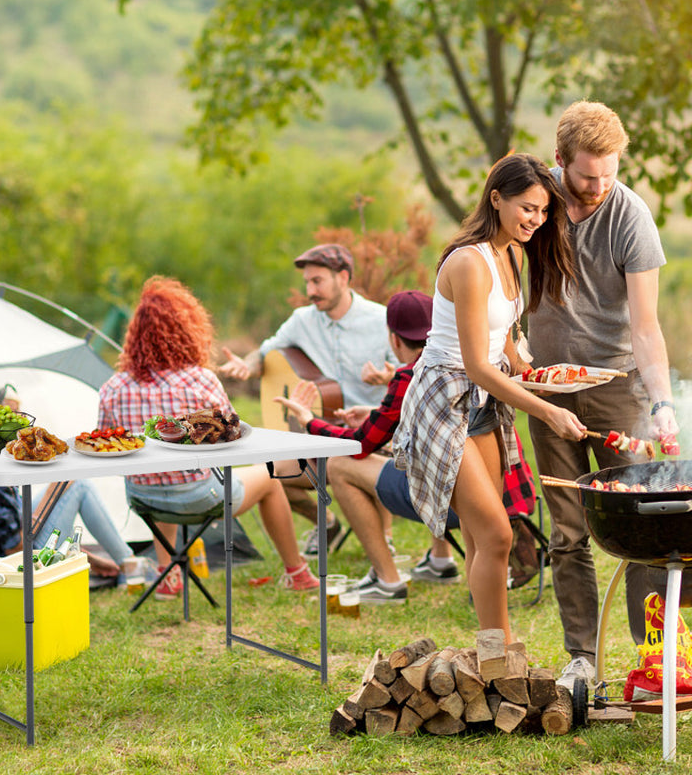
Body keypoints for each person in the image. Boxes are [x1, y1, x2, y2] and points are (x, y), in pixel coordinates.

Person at [392, 153, 584, 645]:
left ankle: (492, 647)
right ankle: (500, 650)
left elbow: (499, 341)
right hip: (444, 400)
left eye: (543, 212)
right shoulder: (468, 262)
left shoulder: (512, 254)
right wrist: (545, 409)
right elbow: (475, 363)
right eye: (527, 208)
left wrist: (536, 375)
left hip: (483, 402)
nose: (536, 220)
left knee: (485, 536)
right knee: (498, 535)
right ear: (496, 199)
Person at [526, 101, 679, 689]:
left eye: (609, 173)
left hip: (619, 388)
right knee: (567, 533)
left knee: (644, 526)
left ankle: (656, 656)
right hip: (549, 390)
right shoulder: (535, 208)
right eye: (587, 175)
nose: (598, 186)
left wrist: (661, 402)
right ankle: (582, 661)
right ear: (560, 160)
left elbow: (645, 325)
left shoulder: (631, 216)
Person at [97, 275, 319, 600]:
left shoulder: (114, 387)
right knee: (270, 481)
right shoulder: (200, 381)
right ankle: (297, 573)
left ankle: (168, 573)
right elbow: (232, 437)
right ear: (188, 329)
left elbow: (108, 446)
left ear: (135, 336)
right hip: (201, 497)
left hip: (142, 498)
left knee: (160, 470)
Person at [273, 290, 461, 605]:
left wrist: (308, 421)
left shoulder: (408, 376)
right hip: (484, 497)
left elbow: (359, 445)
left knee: (341, 465)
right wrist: (374, 415)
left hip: (444, 503)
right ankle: (440, 562)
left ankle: (388, 582)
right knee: (436, 452)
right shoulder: (458, 362)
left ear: (394, 340)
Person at [219, 242, 400, 555]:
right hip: (318, 435)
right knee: (270, 471)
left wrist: (388, 377)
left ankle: (384, 542)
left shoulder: (380, 320)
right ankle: (326, 523)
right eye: (307, 283)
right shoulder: (302, 320)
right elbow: (264, 353)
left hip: (370, 435)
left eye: (318, 281)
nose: (310, 290)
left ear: (343, 278)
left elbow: (408, 373)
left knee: (370, 459)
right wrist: (246, 366)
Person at [0, 387, 142, 582]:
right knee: (75, 486)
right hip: (12, 567)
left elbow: (19, 522)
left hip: (19, 546)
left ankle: (126, 564)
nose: (20, 424)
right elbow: (16, 548)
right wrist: (51, 495)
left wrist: (89, 559)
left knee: (71, 484)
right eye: (12, 415)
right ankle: (130, 566)